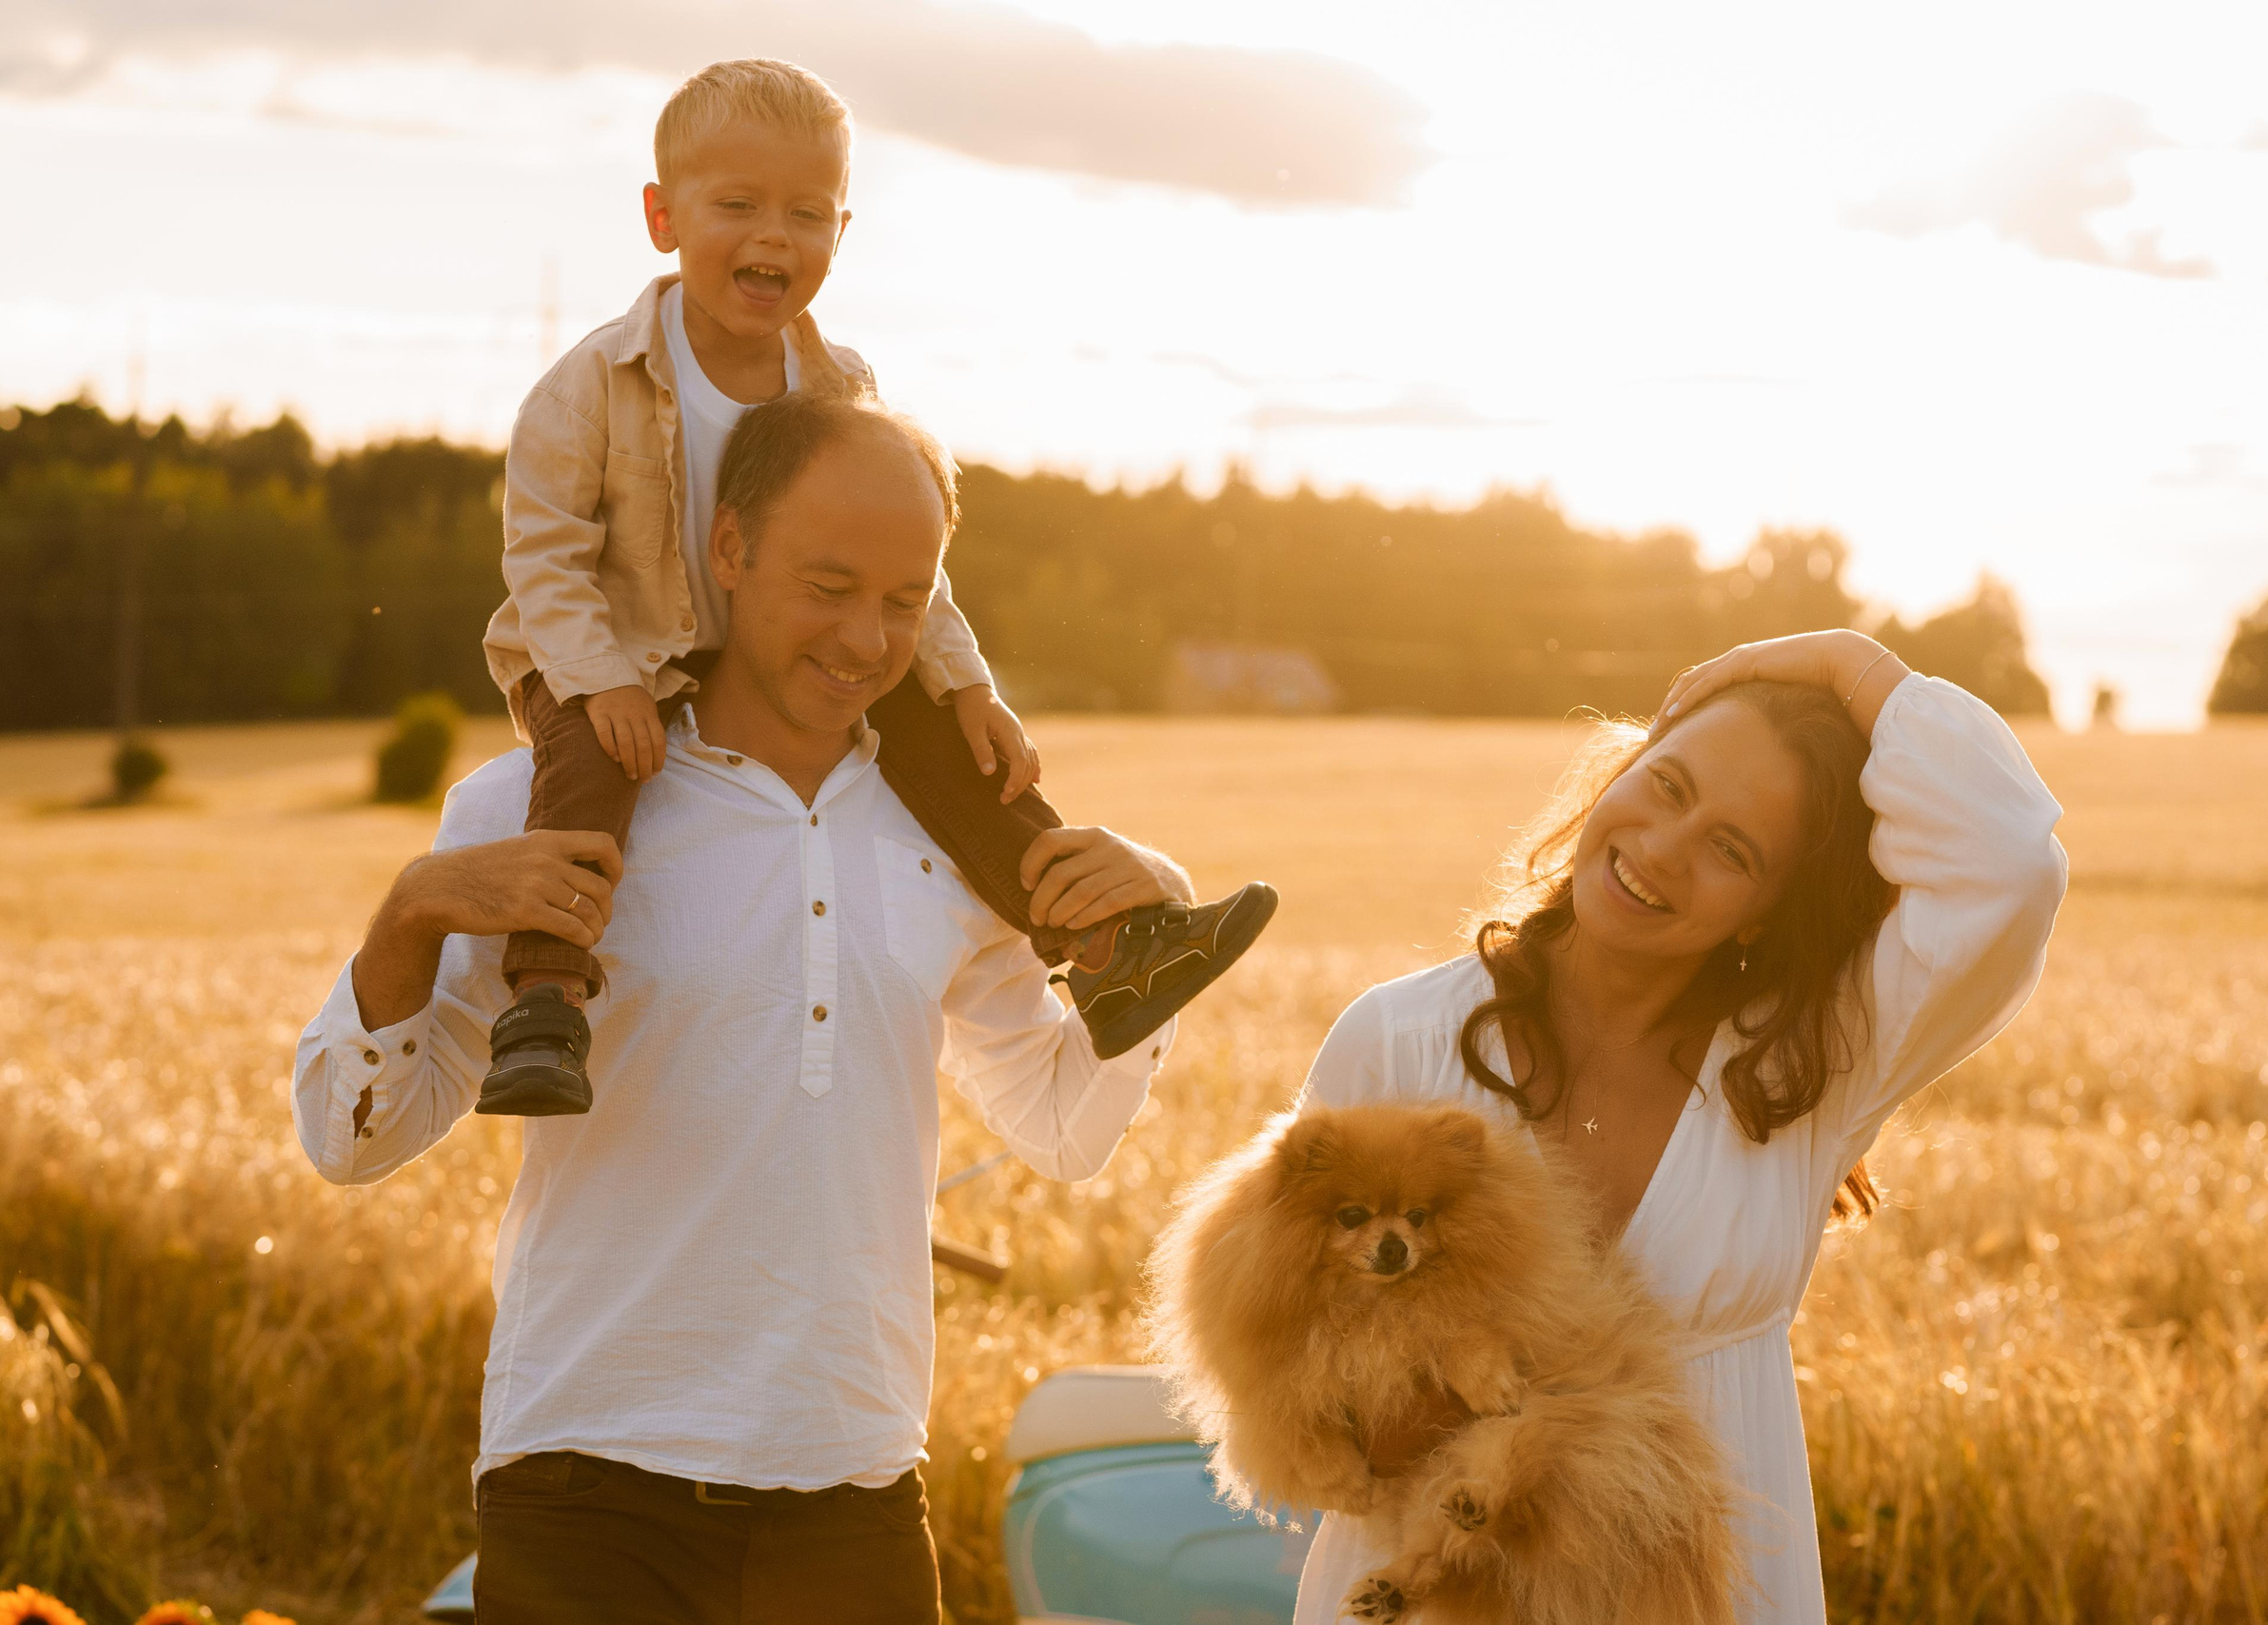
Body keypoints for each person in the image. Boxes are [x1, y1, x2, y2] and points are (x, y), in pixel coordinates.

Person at [292, 395, 1225, 1623]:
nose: (865, 640)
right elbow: (350, 1139)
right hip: (586, 1482)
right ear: (726, 553)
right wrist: (411, 914)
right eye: (828, 586)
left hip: (859, 1486)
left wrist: (1141, 949)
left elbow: (1061, 1128)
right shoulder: (548, 803)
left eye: (905, 600)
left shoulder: (952, 833)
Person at [478, 56, 1272, 1114]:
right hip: (609, 650)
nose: (773, 237)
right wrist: (598, 678)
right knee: (588, 779)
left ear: (841, 236)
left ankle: (1112, 944)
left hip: (787, 642)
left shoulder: (844, 387)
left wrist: (969, 685)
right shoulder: (592, 383)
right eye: (738, 206)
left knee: (958, 754)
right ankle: (542, 1001)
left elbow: (905, 569)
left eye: (807, 213)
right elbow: (543, 555)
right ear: (663, 217)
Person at [1285, 631, 2070, 1625]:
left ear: (1764, 913)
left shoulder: (1809, 1066)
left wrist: (1844, 662)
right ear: (1623, 767)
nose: (1662, 848)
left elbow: (2009, 865)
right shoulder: (1395, 1040)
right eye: (1666, 785)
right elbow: (1282, 1340)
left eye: (1731, 850)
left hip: (1709, 1593)